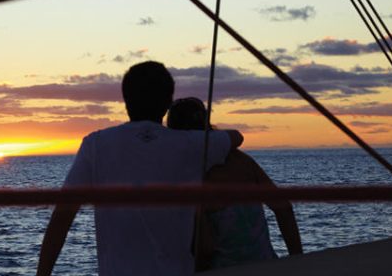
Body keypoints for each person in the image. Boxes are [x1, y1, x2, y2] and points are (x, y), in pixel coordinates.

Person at [37, 61, 244, 276]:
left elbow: (63, 216)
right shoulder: (191, 144)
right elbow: (236, 137)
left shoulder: (96, 144)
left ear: (125, 100)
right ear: (167, 103)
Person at [166, 97, 303, 270]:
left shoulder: (190, 175)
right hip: (267, 266)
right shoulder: (242, 160)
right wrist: (298, 260)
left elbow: (205, 248)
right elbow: (283, 208)